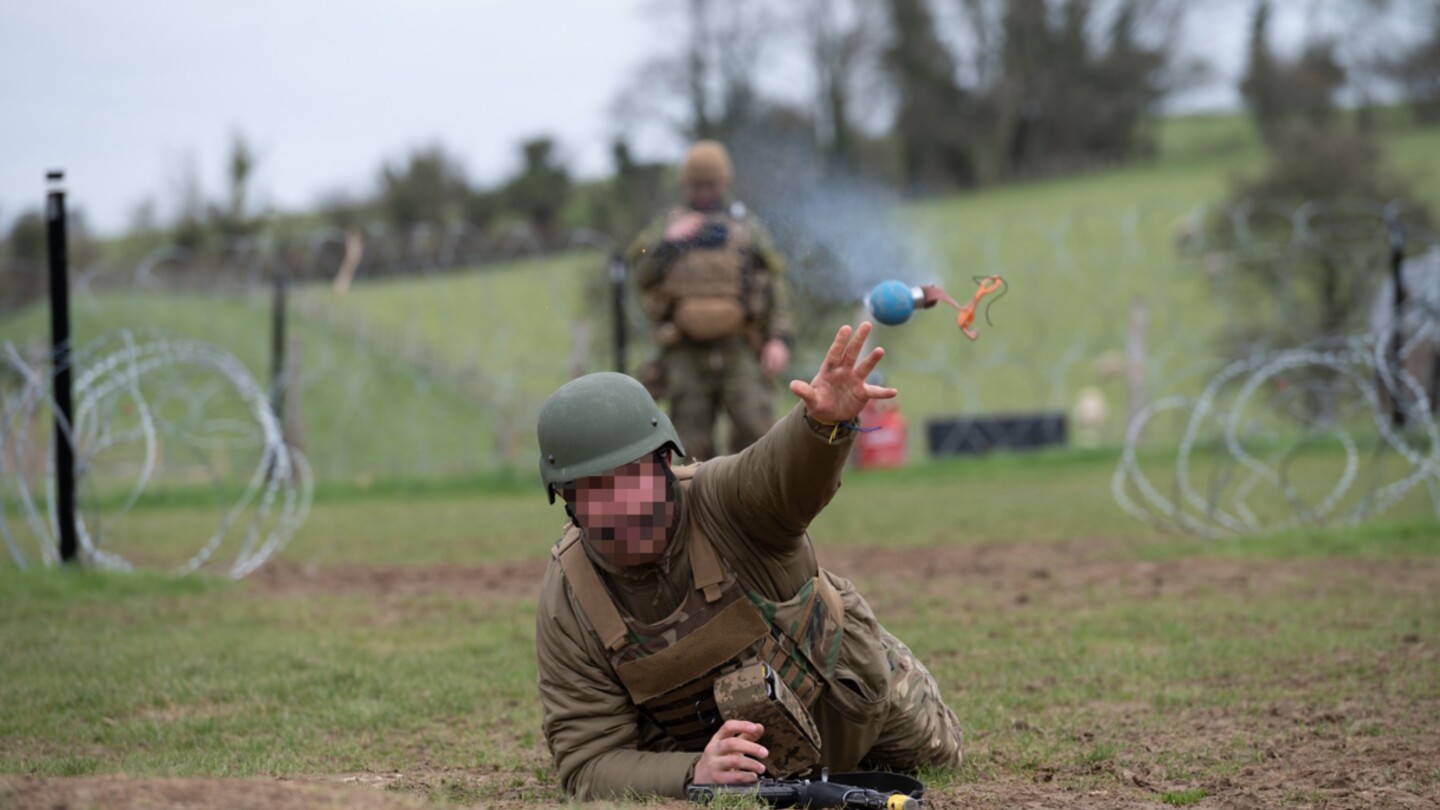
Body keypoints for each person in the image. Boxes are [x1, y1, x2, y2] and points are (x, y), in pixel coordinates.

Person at [534, 322, 964, 800]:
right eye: (596, 491)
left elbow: (780, 473)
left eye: (632, 476)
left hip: (851, 702)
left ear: (664, 463)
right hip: (729, 762)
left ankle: (899, 667)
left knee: (940, 757)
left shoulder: (723, 499)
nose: (624, 504)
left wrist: (821, 427)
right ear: (568, 501)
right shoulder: (570, 596)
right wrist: (695, 771)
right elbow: (588, 763)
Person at [625, 139, 794, 461]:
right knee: (689, 443)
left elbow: (776, 283)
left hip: (741, 345)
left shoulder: (746, 225)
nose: (703, 191)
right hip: (683, 349)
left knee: (755, 434)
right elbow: (638, 267)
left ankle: (750, 507)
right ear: (685, 184)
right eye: (696, 184)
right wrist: (668, 241)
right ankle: (695, 510)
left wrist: (779, 339)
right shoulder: (666, 225)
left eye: (711, 184)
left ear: (724, 182)